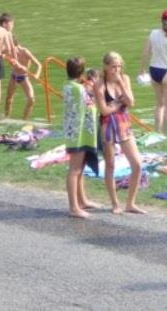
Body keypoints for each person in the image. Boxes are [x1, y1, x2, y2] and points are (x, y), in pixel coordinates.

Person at [95, 51, 146, 215]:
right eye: (113, 67)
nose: (116, 70)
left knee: (137, 164)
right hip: (108, 126)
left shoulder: (125, 79)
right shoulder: (99, 85)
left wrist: (121, 86)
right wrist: (118, 103)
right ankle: (115, 203)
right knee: (110, 165)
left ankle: (130, 203)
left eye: (119, 66)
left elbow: (131, 102)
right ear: (105, 66)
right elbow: (103, 111)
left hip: (124, 124)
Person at [63, 57, 101, 218]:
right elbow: (91, 100)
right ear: (81, 72)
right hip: (79, 134)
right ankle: (73, 206)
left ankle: (82, 200)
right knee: (75, 169)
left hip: (78, 132)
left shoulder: (68, 86)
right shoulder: (80, 89)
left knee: (81, 168)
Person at [140, 9, 167, 136]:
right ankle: (165, 134)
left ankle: (156, 133)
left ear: (161, 21)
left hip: (154, 70)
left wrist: (142, 69)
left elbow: (145, 53)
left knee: (159, 104)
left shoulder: (153, 33)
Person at [3, 38, 42, 120]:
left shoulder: (25, 51)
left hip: (24, 77)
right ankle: (6, 117)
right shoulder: (10, 52)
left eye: (11, 48)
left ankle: (25, 119)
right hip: (14, 76)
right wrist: (7, 58)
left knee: (31, 99)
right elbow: (0, 54)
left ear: (16, 45)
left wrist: (37, 75)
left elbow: (39, 65)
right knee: (9, 98)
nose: (11, 51)